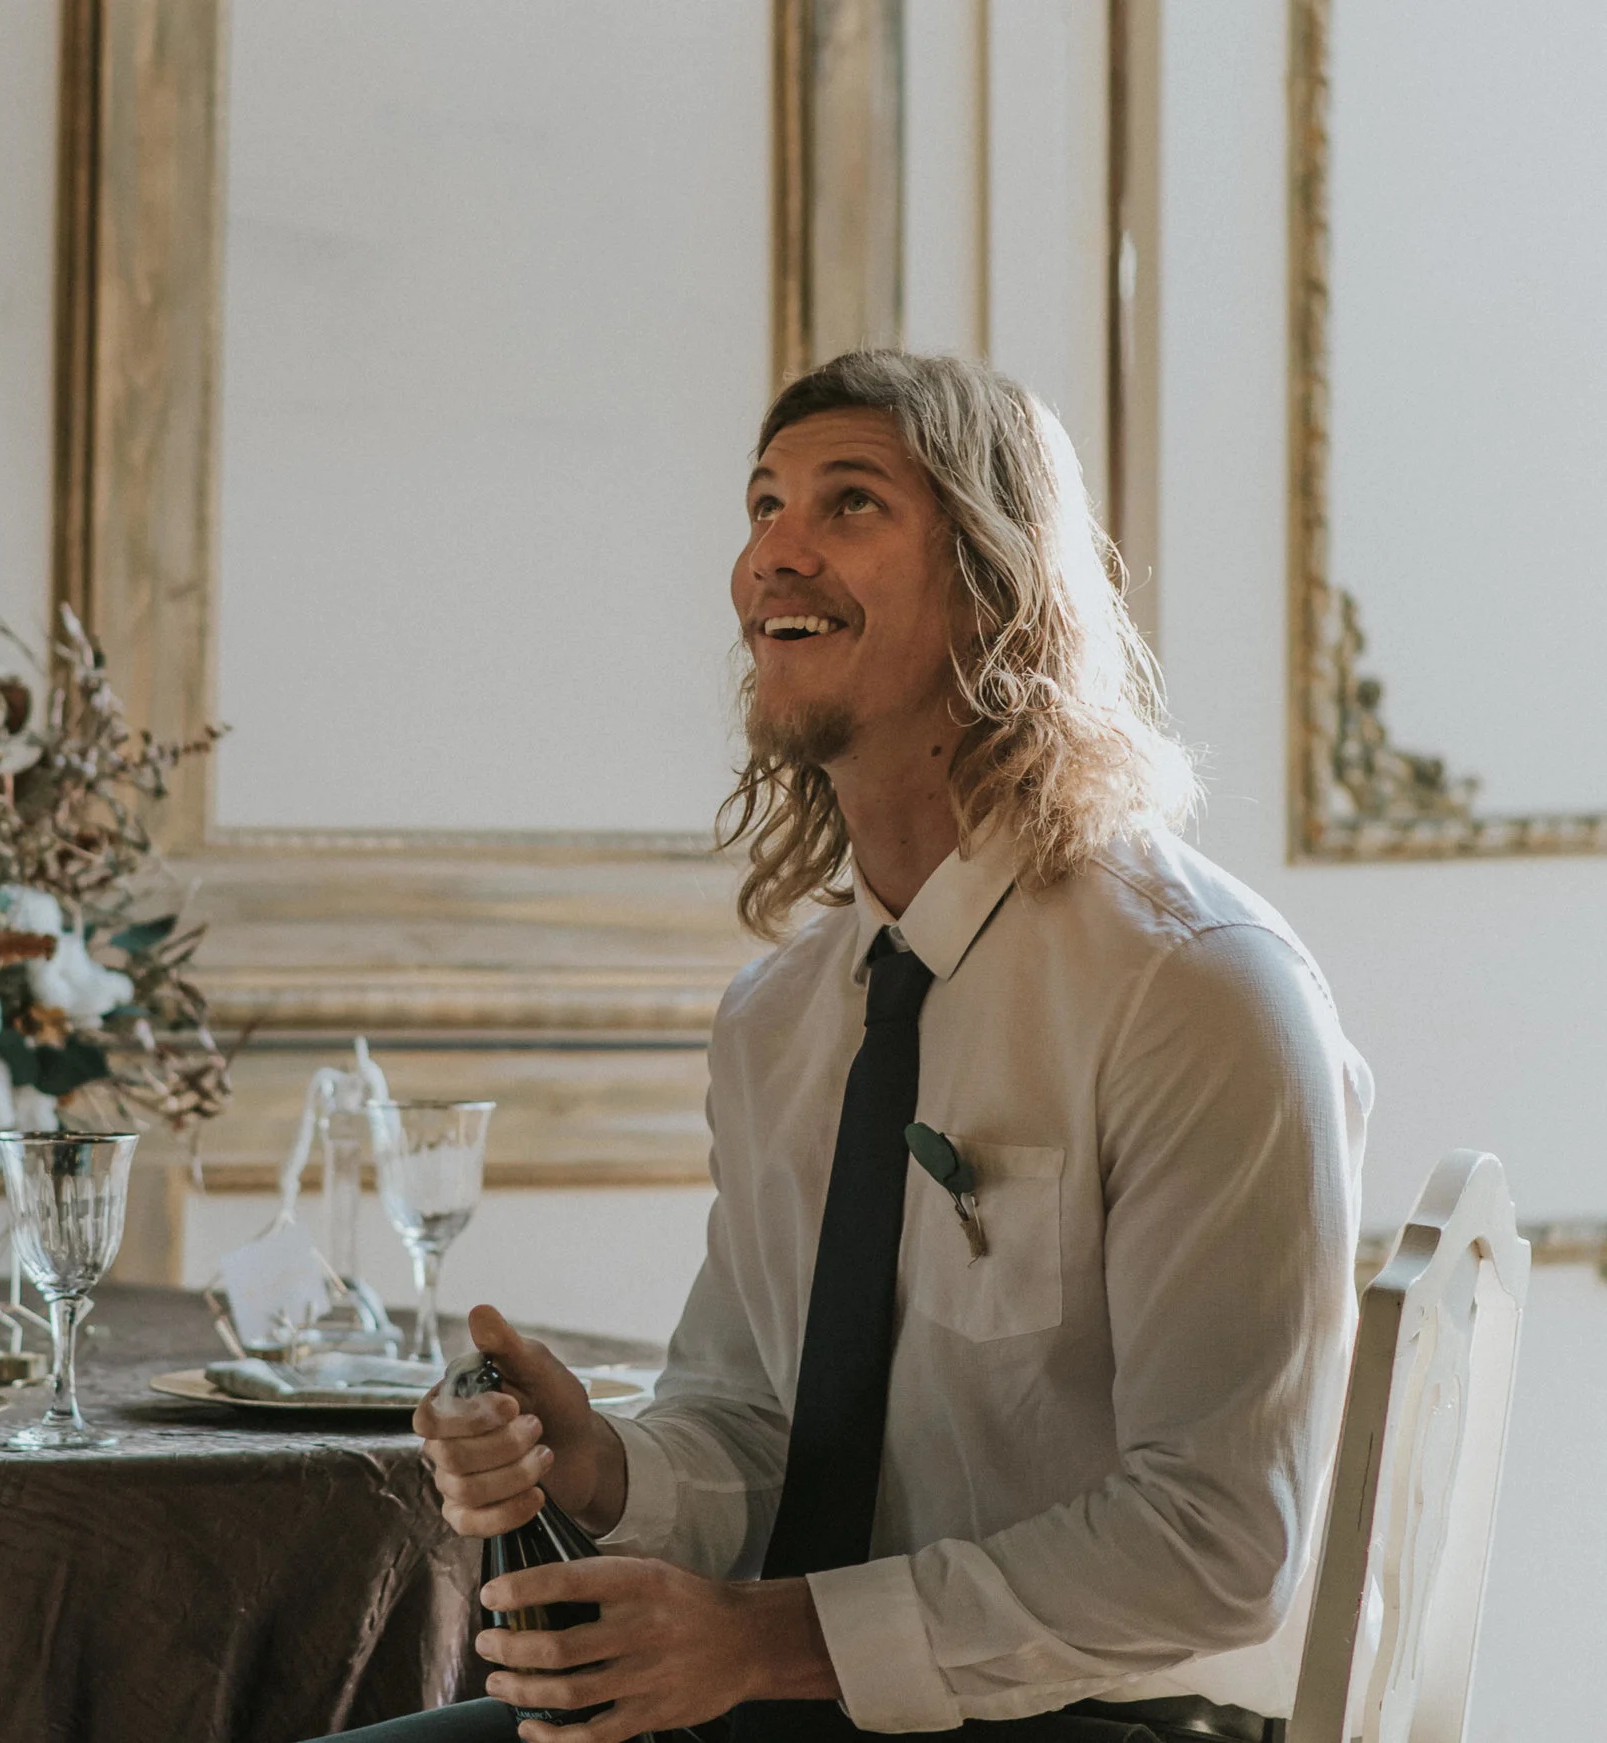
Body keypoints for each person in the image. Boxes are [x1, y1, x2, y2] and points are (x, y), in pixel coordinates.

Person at [360, 352, 1369, 1742]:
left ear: (998, 580)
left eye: (849, 503)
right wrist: (593, 1461)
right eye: (763, 504)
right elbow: (751, 1427)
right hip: (802, 1708)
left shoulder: (1198, 990)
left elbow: (1216, 1542)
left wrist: (764, 1641)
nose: (772, 553)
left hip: (1115, 1722)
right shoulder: (776, 1020)